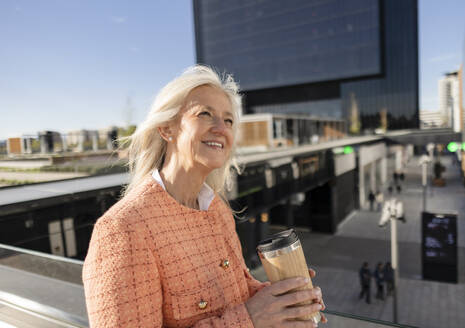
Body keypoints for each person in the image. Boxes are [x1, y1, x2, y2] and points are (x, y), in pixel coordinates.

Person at [82, 65, 327, 328]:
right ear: (167, 129)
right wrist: (251, 319)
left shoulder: (216, 208)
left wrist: (281, 300)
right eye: (205, 114)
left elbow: (235, 291)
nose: (221, 128)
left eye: (229, 120)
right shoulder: (124, 228)